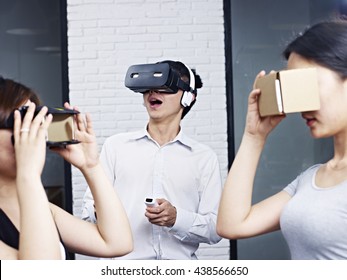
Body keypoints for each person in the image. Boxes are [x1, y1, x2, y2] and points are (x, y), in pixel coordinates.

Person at [217, 18, 347, 260]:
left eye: (309, 84)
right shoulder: (311, 179)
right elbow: (232, 225)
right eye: (296, 87)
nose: (301, 103)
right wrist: (254, 136)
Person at [82, 60, 223, 259]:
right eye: (149, 87)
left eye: (166, 87)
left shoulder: (204, 158)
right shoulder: (116, 147)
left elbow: (216, 229)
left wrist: (177, 219)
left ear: (188, 97)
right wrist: (101, 210)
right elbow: (88, 213)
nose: (153, 93)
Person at [0, 77, 133, 259]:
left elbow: (117, 243)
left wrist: (91, 166)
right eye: (22, 121)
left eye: (36, 121)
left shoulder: (43, 210)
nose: (34, 132)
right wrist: (29, 176)